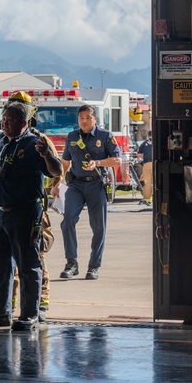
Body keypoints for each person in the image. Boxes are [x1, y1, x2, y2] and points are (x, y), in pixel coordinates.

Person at [0, 101, 62, 332]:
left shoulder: (33, 143)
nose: (4, 123)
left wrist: (48, 154)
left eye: (9, 120)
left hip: (25, 213)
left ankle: (30, 314)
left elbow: (56, 170)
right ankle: (0, 312)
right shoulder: (3, 143)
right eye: (3, 119)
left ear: (23, 122)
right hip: (1, 214)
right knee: (2, 265)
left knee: (28, 265)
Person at [54, 104, 121, 280]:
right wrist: (56, 183)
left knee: (99, 227)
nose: (84, 121)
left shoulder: (105, 136)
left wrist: (97, 163)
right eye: (81, 118)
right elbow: (65, 162)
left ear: (95, 119)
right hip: (75, 185)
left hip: (96, 184)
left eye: (88, 118)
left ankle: (94, 266)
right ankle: (71, 263)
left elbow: (117, 160)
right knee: (67, 220)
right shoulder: (72, 136)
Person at [137, 130, 153, 206]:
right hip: (157, 163)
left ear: (148, 135)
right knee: (158, 181)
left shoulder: (144, 143)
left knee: (147, 182)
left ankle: (147, 199)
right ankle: (158, 198)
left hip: (147, 164)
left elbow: (139, 155)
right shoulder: (158, 141)